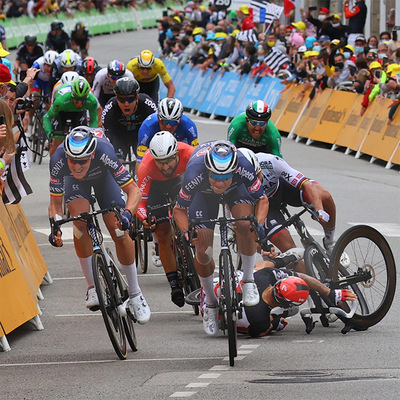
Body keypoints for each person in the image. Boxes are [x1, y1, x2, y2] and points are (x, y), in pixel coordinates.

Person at [48, 126, 151, 324]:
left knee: (118, 230)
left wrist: (128, 215)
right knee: (79, 225)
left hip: (105, 178)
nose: (77, 166)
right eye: (72, 160)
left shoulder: (105, 152)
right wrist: (55, 227)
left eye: (82, 161)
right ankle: (92, 288)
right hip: (75, 184)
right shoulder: (58, 160)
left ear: (92, 155)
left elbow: (134, 191)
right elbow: (55, 204)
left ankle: (136, 294)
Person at [173, 141, 269, 336]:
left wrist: (257, 224)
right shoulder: (194, 172)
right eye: (215, 176)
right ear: (207, 170)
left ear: (234, 170)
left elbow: (262, 199)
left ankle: (249, 281)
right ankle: (209, 301)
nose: (219, 182)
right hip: (202, 194)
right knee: (203, 247)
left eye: (225, 176)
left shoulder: (244, 167)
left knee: (245, 225)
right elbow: (179, 209)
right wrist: (185, 232)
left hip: (237, 189)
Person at [202, 248, 357, 337]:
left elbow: (298, 277)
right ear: (285, 304)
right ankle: (280, 259)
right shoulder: (261, 321)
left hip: (212, 288)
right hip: (221, 313)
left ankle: (279, 259)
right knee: (292, 310)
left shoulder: (263, 277)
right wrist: (276, 323)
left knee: (262, 267)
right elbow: (262, 330)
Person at [239, 148, 337, 265]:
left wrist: (319, 209)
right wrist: (262, 249)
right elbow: (244, 233)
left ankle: (330, 241)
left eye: (257, 176)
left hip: (283, 190)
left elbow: (307, 185)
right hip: (261, 205)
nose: (256, 182)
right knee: (289, 250)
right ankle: (308, 281)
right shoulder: (233, 181)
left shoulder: (270, 161)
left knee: (324, 196)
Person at [136, 131, 195, 307]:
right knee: (162, 234)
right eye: (160, 162)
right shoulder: (146, 167)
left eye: (169, 160)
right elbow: (140, 202)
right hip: (156, 189)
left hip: (180, 182)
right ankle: (174, 283)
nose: (165, 166)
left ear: (177, 154)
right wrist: (144, 217)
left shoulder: (190, 154)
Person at [101, 77, 157, 163]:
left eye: (130, 99)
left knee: (145, 161)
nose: (126, 104)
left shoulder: (147, 103)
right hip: (119, 136)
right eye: (122, 99)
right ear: (116, 99)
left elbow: (156, 125)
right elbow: (107, 133)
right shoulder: (110, 107)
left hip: (140, 135)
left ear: (137, 98)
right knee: (118, 164)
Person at [136, 97, 198, 170]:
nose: (168, 126)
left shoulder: (189, 126)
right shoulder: (147, 126)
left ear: (179, 120)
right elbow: (140, 161)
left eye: (173, 122)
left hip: (179, 149)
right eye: (164, 121)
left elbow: (196, 157)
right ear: (158, 118)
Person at [43, 76, 99, 156]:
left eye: (82, 100)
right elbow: (47, 117)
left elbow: (93, 120)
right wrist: (49, 135)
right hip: (62, 112)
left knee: (83, 138)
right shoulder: (61, 101)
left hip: (79, 113)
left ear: (87, 97)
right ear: (71, 95)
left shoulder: (92, 101)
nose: (79, 103)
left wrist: (92, 134)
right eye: (76, 100)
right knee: (57, 141)